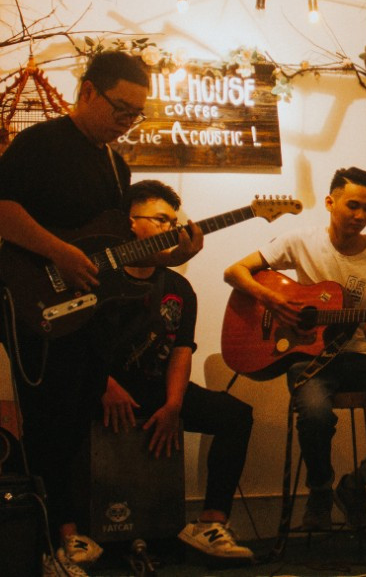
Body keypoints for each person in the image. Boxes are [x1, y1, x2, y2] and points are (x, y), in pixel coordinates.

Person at [0, 50, 203, 577]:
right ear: (87, 92)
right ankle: (50, 544)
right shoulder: (43, 142)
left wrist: (171, 258)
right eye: (121, 109)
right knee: (46, 423)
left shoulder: (115, 165)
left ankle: (72, 536)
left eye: (136, 113)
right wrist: (58, 252)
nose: (127, 122)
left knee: (76, 422)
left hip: (85, 315)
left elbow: (111, 252)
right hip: (34, 302)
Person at [223, 166, 366, 531]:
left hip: (360, 356)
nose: (361, 215)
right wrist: (273, 300)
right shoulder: (300, 241)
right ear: (329, 202)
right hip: (311, 358)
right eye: (353, 205)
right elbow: (235, 272)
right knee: (315, 415)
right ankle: (320, 491)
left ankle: (357, 484)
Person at [97, 180, 253, 561]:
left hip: (155, 389)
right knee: (57, 416)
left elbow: (182, 350)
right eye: (160, 219)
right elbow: (76, 343)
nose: (171, 228)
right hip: (101, 388)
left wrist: (173, 405)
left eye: (173, 221)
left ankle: (210, 524)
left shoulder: (179, 287)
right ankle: (70, 534)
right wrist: (103, 385)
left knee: (235, 415)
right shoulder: (100, 277)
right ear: (131, 222)